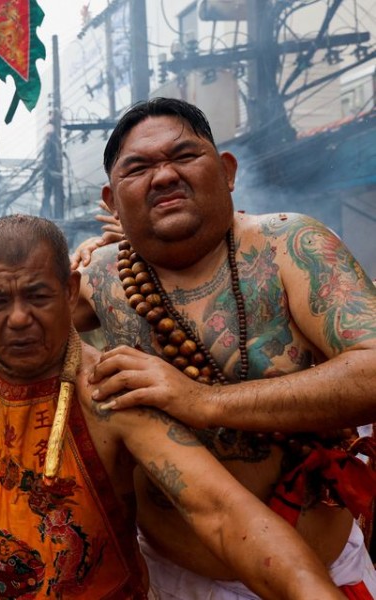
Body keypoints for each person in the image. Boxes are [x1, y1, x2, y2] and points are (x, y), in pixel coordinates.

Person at [0, 214, 345, 599]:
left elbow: (222, 512)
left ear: (71, 291)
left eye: (38, 296)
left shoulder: (109, 392)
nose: (19, 318)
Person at [80, 98, 376, 597]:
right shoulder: (100, 276)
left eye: (183, 156)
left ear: (227, 171)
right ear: (112, 201)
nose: (165, 176)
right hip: (170, 579)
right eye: (140, 167)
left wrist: (202, 401)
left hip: (319, 578)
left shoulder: (291, 245)